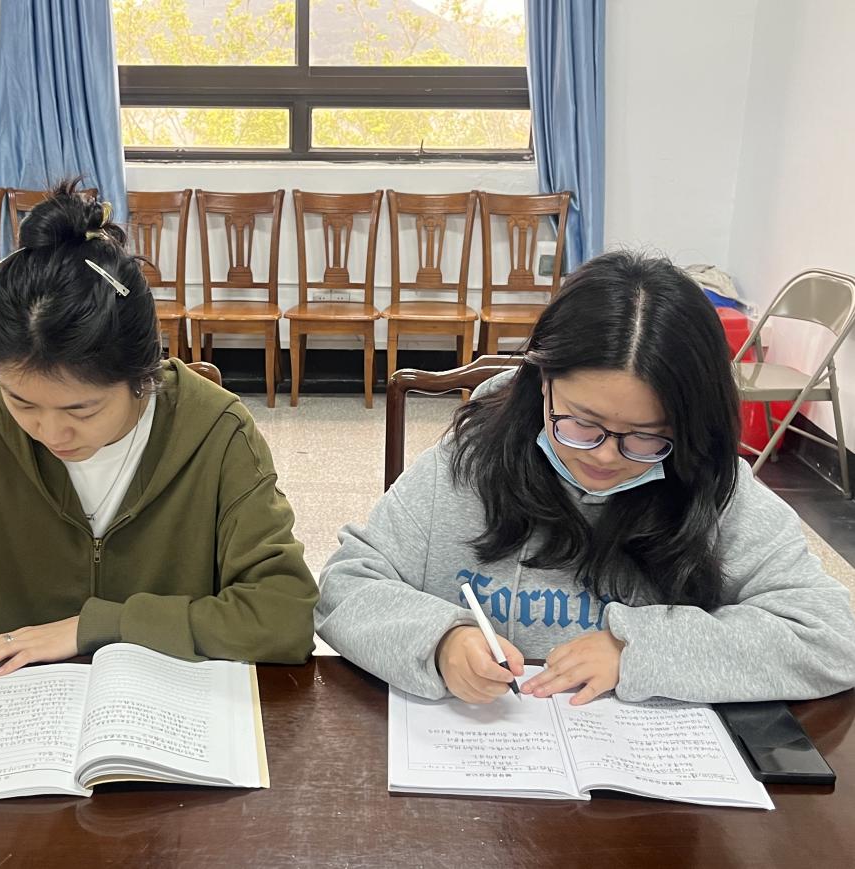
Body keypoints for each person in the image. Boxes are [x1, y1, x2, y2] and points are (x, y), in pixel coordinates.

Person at [0, 180, 318, 693]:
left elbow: (283, 614)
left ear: (143, 376)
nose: (51, 433)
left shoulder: (216, 433)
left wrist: (94, 627)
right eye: (23, 402)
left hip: (170, 715)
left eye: (82, 408)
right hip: (12, 716)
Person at [315, 251, 855, 706]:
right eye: (581, 424)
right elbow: (344, 587)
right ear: (542, 382)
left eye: (646, 437)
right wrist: (440, 641)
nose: (606, 457)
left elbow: (832, 637)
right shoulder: (468, 464)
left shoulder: (715, 489)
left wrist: (638, 648)